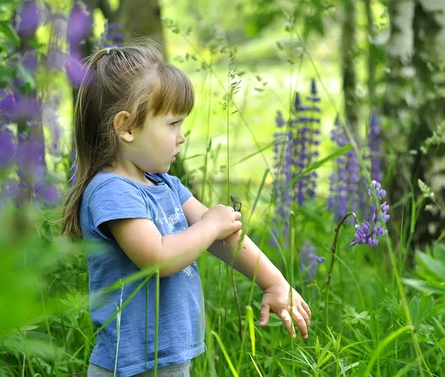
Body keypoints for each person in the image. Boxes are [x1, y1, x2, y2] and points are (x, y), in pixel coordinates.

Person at [62, 43, 311, 377]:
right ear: (127, 128)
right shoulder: (111, 191)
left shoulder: (164, 184)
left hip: (170, 359)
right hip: (131, 367)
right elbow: (158, 258)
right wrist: (209, 225)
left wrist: (274, 282)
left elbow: (224, 238)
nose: (181, 137)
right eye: (172, 124)